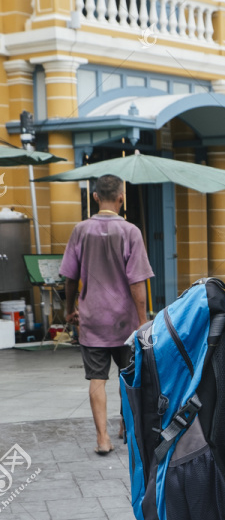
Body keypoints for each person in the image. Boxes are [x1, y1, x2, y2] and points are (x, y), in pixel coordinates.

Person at [60, 174, 154, 455]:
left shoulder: (80, 230)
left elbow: (68, 276)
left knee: (97, 380)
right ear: (121, 198)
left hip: (92, 321)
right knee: (129, 378)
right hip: (125, 323)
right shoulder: (131, 232)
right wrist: (142, 322)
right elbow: (138, 284)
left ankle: (103, 439)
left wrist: (69, 310)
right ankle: (126, 426)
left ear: (95, 197)